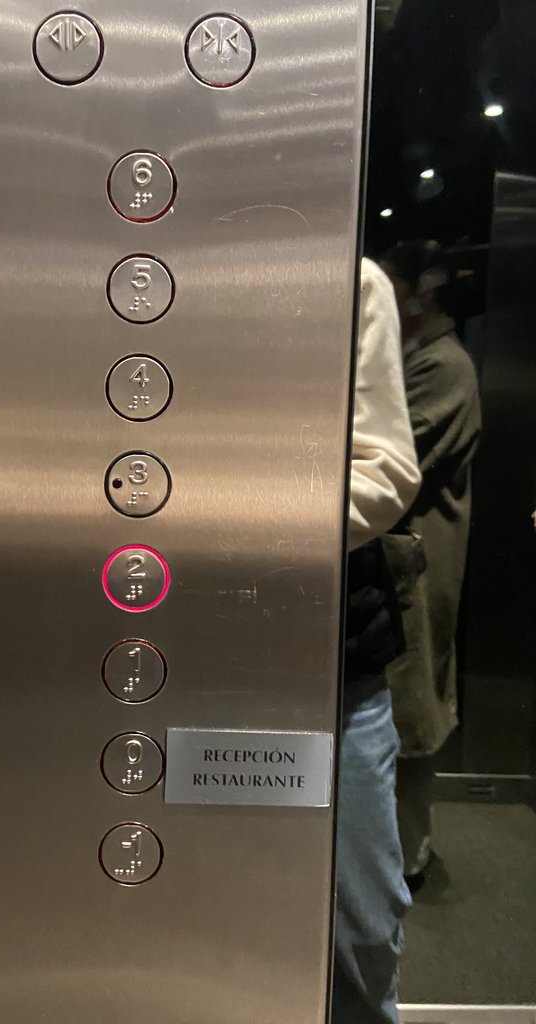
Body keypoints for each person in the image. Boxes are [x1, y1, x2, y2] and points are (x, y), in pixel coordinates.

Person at [332, 258, 421, 1024]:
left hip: (333, 666)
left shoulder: (350, 280)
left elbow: (386, 471)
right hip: (175, 640)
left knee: (359, 927)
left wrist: (231, 514)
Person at [379, 242, 482, 887]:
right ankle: (395, 853)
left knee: (413, 707)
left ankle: (407, 859)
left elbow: (396, 459)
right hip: (403, 566)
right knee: (399, 701)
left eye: (397, 289)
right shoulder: (419, 360)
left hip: (417, 566)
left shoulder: (445, 367)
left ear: (427, 290)